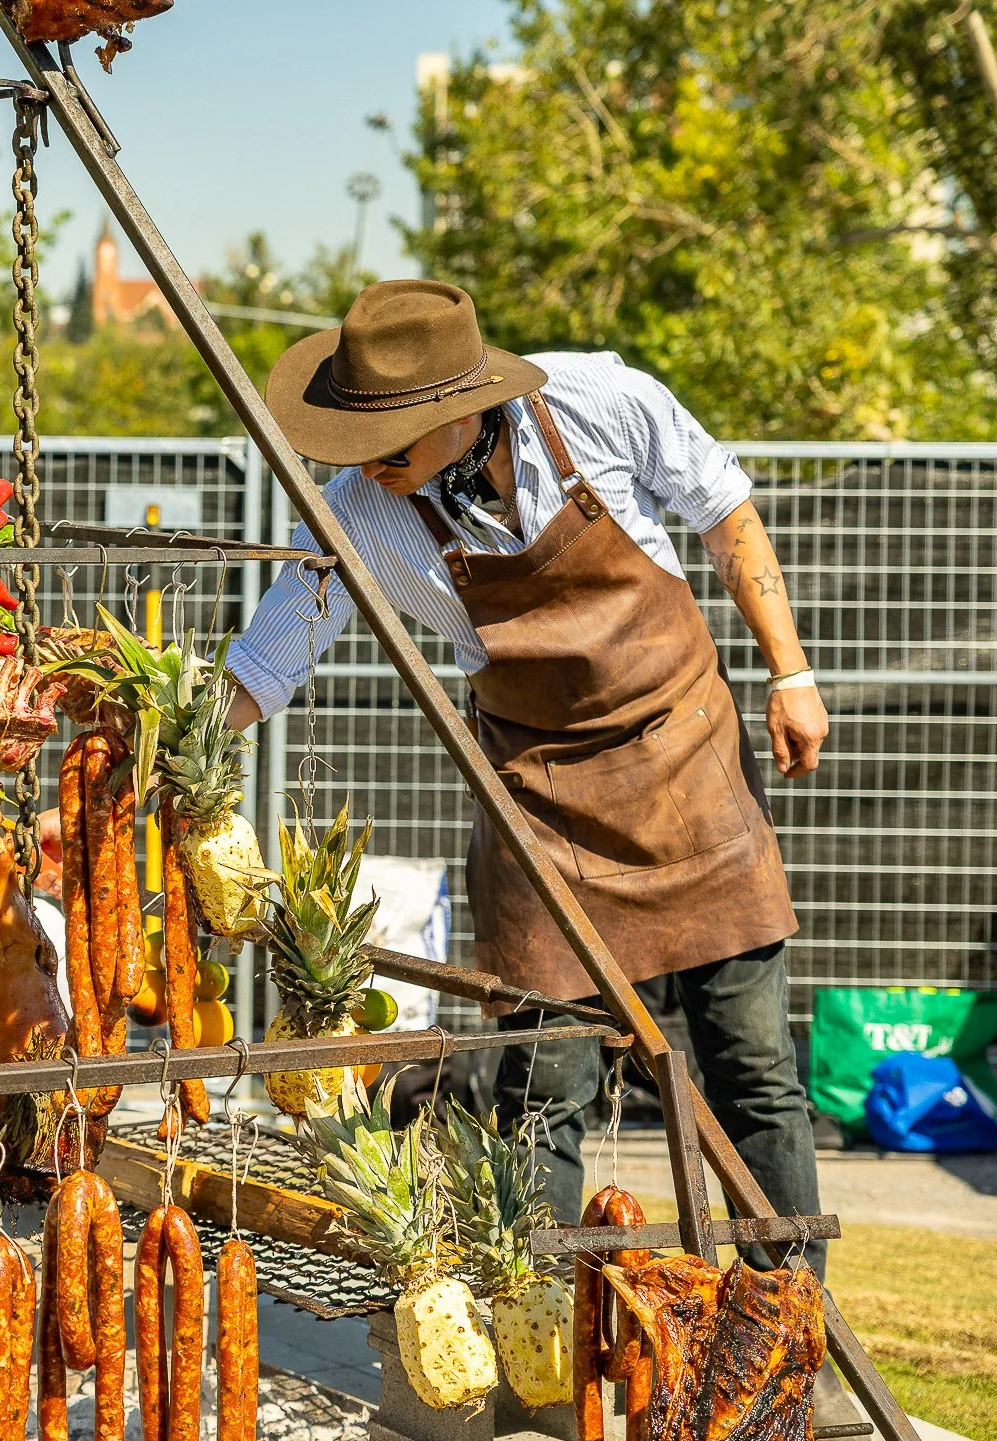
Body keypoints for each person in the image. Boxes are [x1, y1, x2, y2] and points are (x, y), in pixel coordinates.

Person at [234, 280, 828, 1272]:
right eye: (358, 448)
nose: (371, 470)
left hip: (689, 766)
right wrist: (169, 745)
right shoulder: (356, 510)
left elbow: (727, 515)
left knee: (752, 1064)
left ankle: (795, 1325)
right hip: (540, 801)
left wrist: (792, 672)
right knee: (539, 1083)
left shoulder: (600, 401)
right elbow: (267, 660)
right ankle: (537, 1330)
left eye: (393, 447)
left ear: (458, 409)